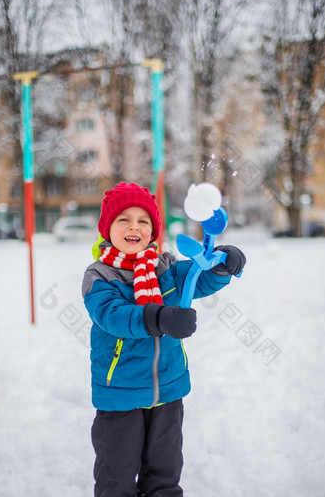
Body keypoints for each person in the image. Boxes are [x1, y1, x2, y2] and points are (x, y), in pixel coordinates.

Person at [82, 182, 246, 497]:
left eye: (143, 221)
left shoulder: (165, 267)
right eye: (124, 219)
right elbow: (112, 316)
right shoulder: (100, 276)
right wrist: (159, 318)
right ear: (107, 229)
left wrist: (223, 265)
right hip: (121, 394)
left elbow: (199, 277)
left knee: (165, 471)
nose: (134, 226)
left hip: (168, 389)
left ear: (153, 231)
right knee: (116, 474)